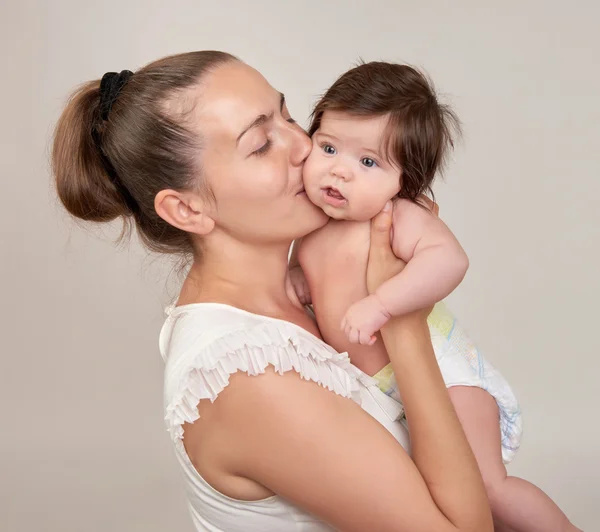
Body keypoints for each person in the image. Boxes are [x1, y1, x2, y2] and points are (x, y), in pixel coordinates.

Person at [52, 50, 494, 531]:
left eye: (288, 115)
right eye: (262, 143)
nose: (305, 147)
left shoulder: (301, 292)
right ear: (187, 210)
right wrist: (403, 323)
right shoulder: (249, 377)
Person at [290, 61, 581, 532]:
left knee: (488, 488)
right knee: (445, 497)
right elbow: (320, 278)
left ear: (404, 181)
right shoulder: (308, 224)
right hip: (389, 387)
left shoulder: (395, 216)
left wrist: (384, 303)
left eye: (368, 162)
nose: (339, 171)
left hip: (444, 372)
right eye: (328, 147)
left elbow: (449, 260)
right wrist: (298, 278)